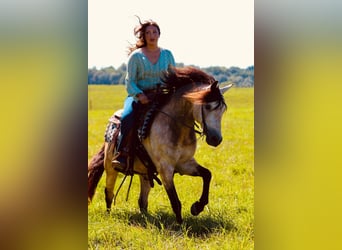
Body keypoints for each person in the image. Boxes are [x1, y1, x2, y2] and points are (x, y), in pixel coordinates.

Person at [112, 17, 176, 171]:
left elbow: (173, 75)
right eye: (148, 32)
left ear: (159, 34)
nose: (152, 35)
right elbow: (130, 81)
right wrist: (140, 95)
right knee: (127, 117)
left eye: (154, 32)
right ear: (144, 36)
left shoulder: (167, 54)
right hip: (138, 97)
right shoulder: (136, 56)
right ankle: (122, 154)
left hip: (162, 95)